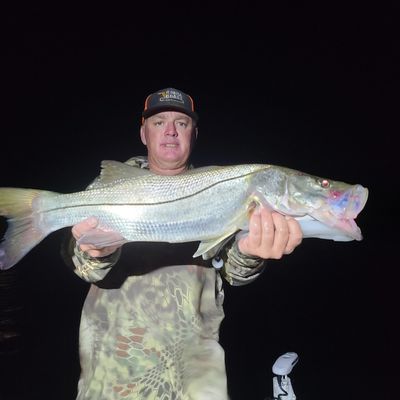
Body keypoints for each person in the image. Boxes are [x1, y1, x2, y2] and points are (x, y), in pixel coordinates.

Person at [63, 88, 303, 399]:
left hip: (195, 361)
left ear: (194, 133)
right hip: (117, 360)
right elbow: (82, 266)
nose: (171, 131)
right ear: (144, 133)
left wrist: (250, 253)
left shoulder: (221, 189)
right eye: (159, 122)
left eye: (182, 123)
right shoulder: (111, 186)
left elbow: (234, 274)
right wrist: (96, 253)